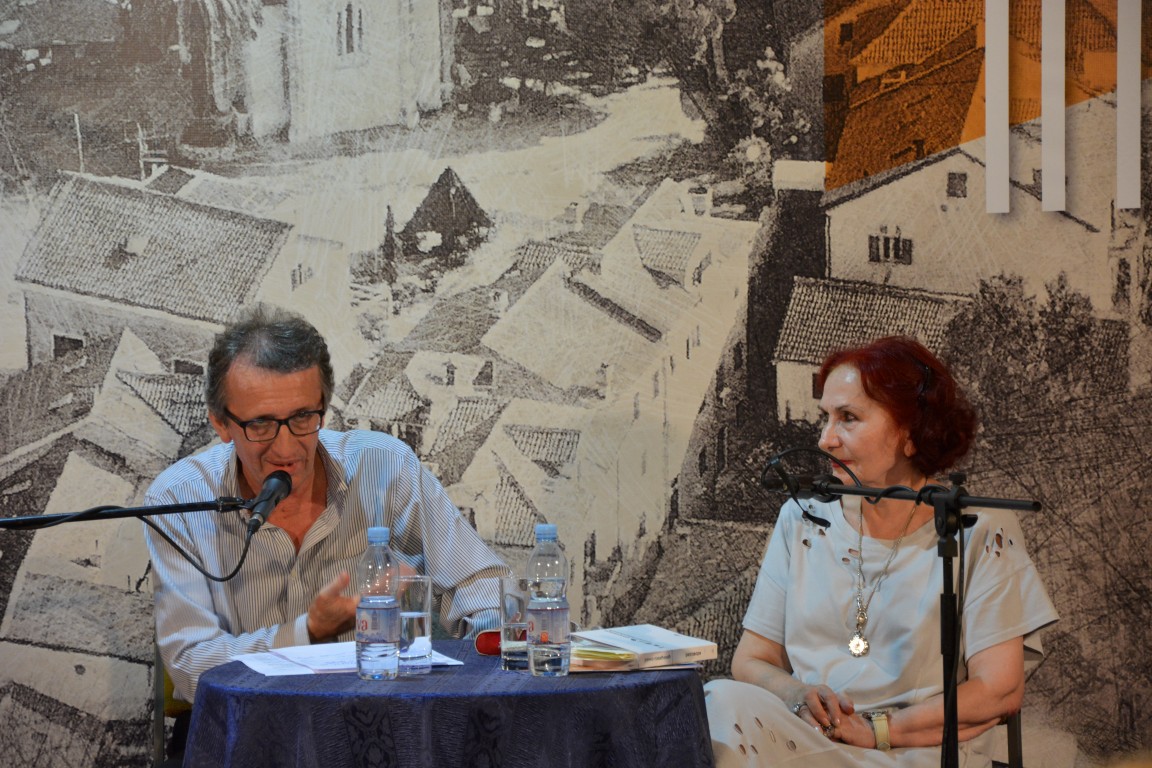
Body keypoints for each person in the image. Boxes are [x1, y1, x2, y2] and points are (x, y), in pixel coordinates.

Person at [705, 335, 1058, 767]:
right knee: (718, 702)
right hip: (810, 740)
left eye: (848, 418)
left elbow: (998, 691)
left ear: (912, 433)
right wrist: (798, 695)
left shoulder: (977, 529)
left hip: (915, 751)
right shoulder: (801, 519)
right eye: (826, 417)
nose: (825, 439)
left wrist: (878, 731)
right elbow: (752, 660)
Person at [143, 306, 510, 710]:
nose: (286, 449)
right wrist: (309, 632)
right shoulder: (179, 499)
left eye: (303, 417)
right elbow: (192, 667)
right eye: (261, 424)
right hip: (252, 727)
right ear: (221, 424)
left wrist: (487, 663)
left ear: (324, 405)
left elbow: (481, 587)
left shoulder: (385, 467)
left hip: (382, 718)